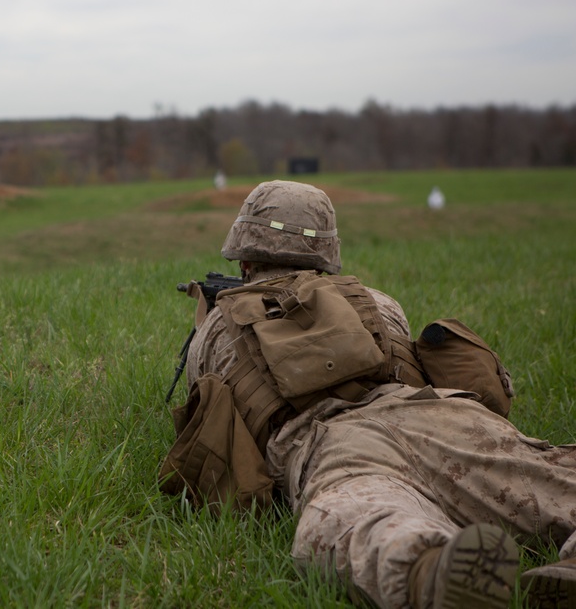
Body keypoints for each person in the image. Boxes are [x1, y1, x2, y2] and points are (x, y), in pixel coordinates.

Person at [159, 180, 576, 608]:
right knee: (555, 480)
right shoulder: (381, 302)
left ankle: (431, 570)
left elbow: (214, 420)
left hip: (333, 443)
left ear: (243, 258)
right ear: (326, 253)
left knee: (357, 520)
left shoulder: (215, 332)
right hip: (438, 414)